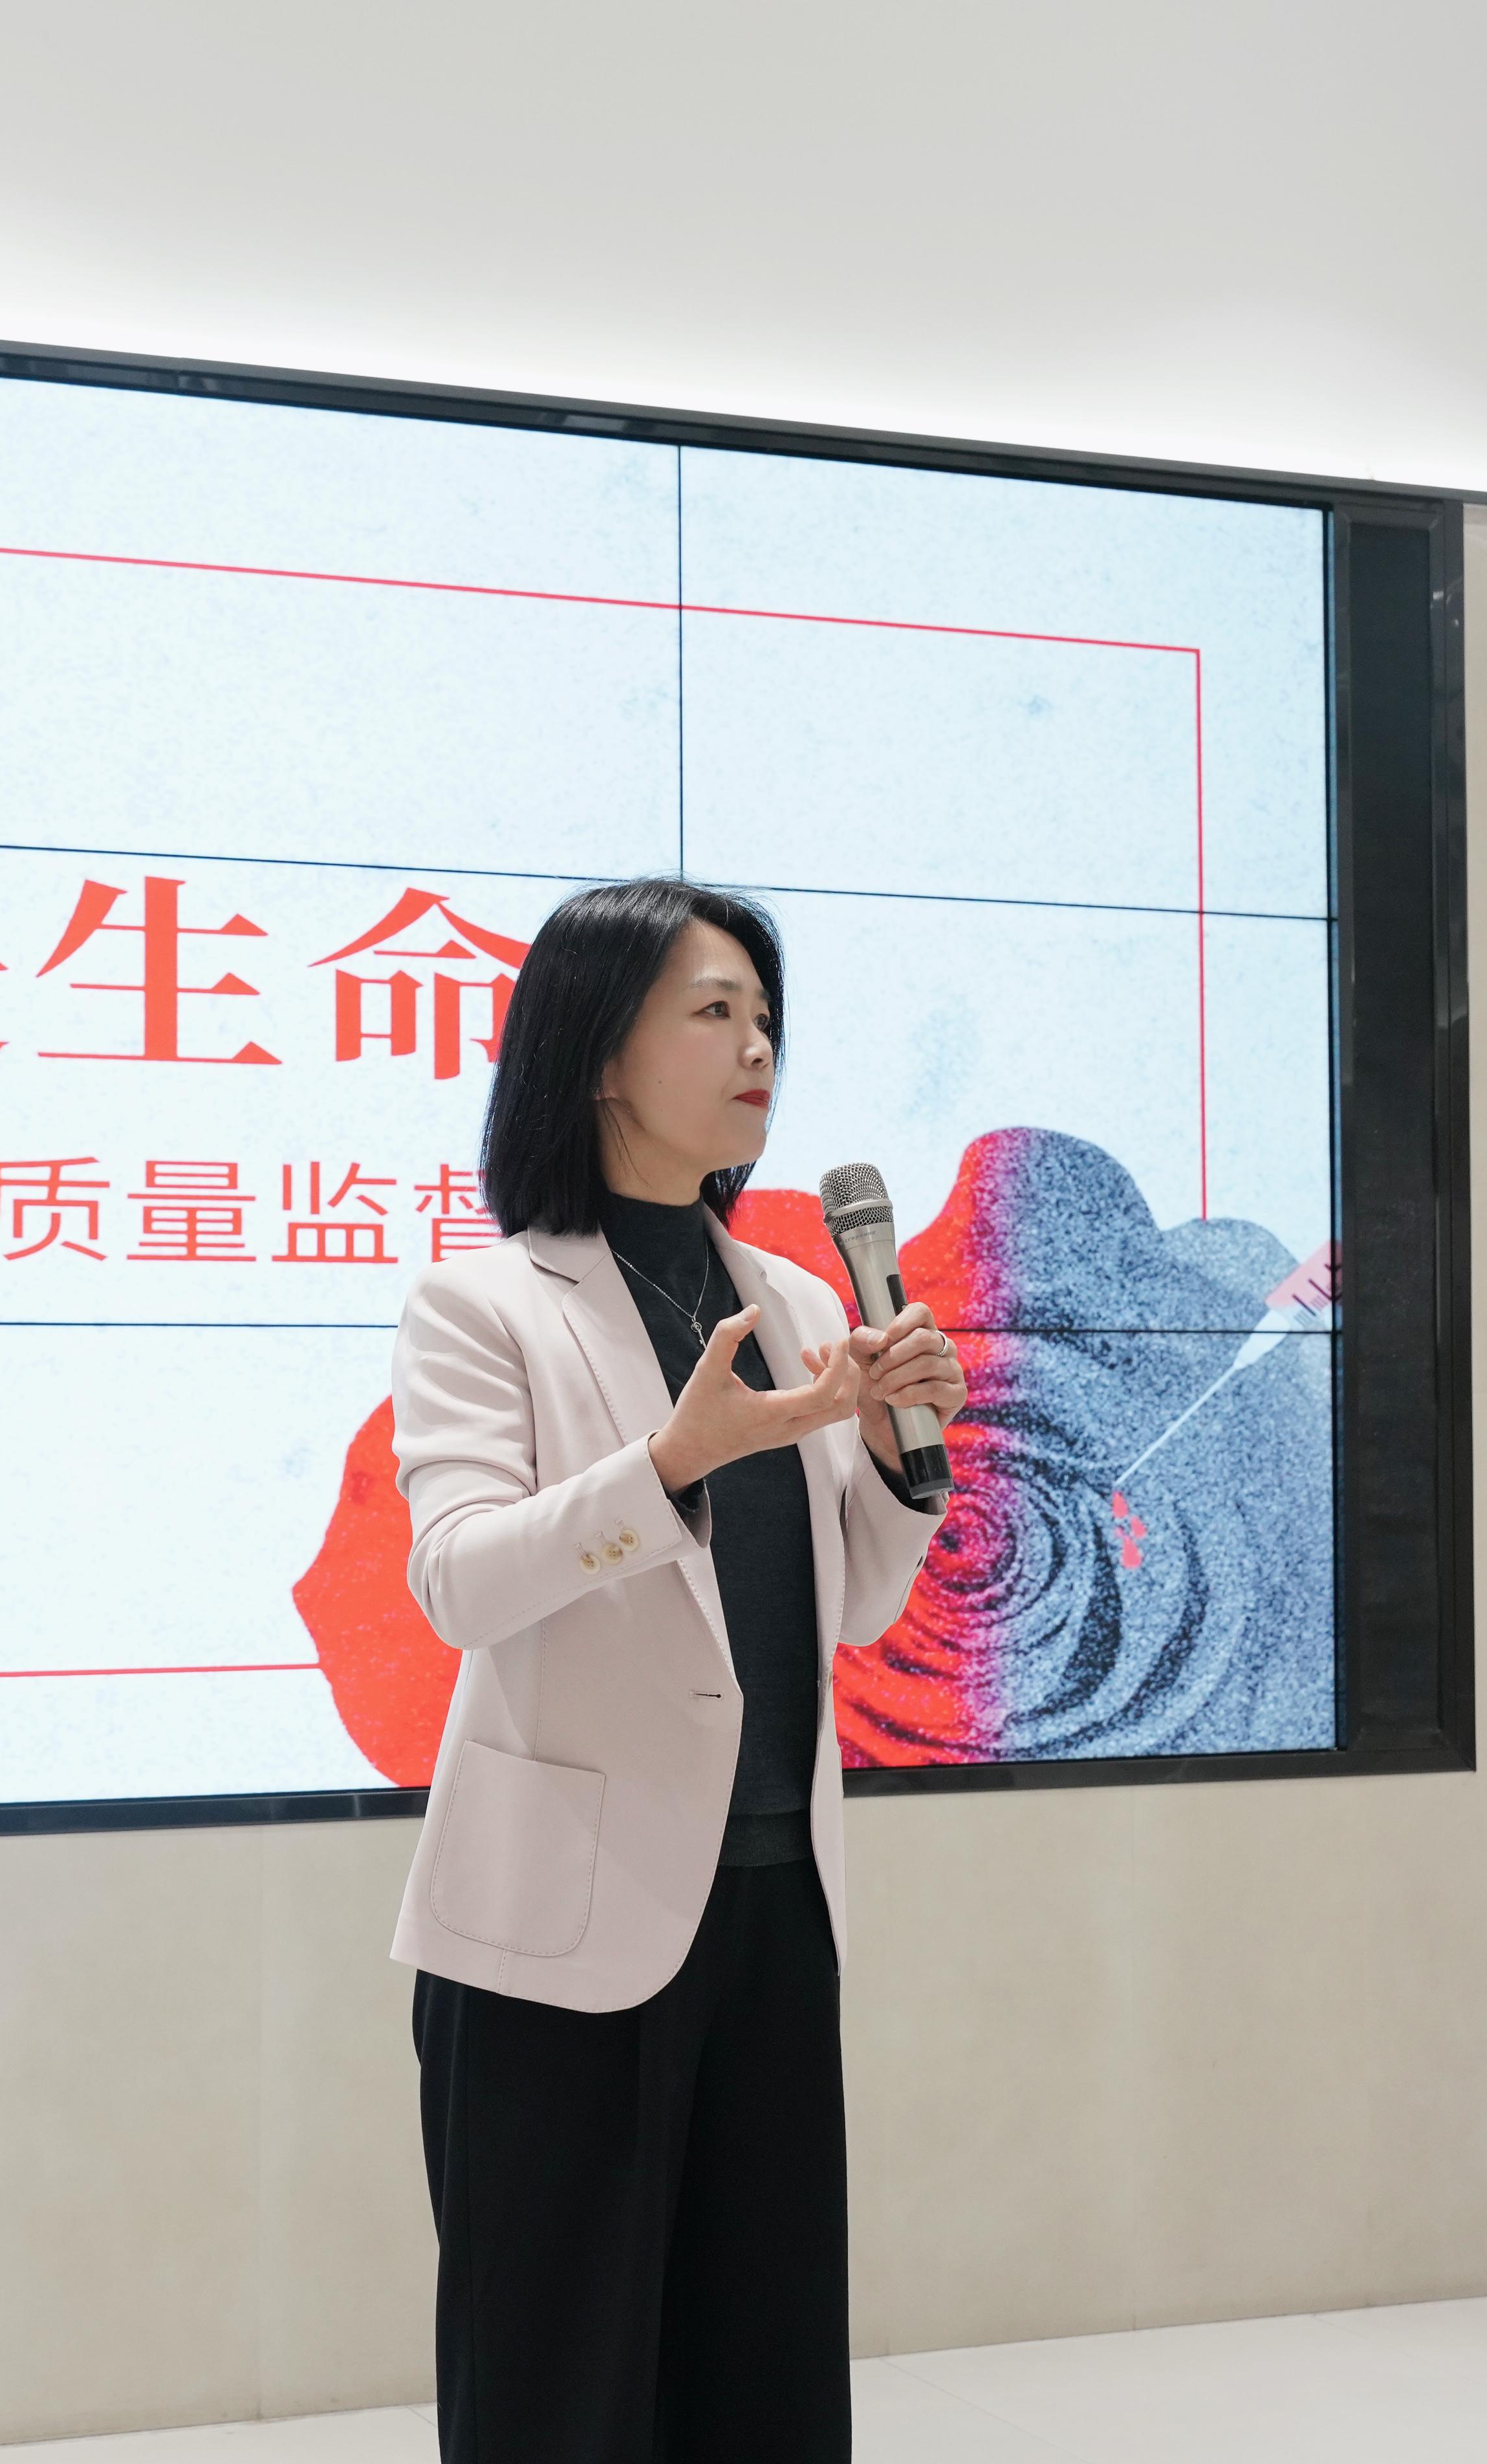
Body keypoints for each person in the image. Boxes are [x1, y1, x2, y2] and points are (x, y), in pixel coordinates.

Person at [391, 876, 968, 2461]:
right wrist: (669, 1463)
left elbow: (852, 1605)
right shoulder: (483, 1304)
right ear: (597, 1054)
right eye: (714, 1012)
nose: (758, 1047)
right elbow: (458, 1582)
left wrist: (895, 1458)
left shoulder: (795, 1298)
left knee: (764, 2385)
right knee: (558, 2395)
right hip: (558, 1939)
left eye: (766, 1017)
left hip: (777, 1909)